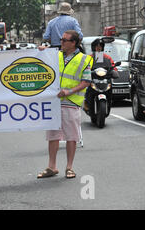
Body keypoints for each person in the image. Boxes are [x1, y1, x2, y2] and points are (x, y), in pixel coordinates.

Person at [37, 30, 93, 179]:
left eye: (64, 40)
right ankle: (52, 166)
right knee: (53, 135)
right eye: (61, 40)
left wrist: (69, 91)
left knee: (71, 136)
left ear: (73, 43)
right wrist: (43, 51)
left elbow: (86, 81)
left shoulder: (84, 59)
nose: (61, 42)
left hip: (71, 102)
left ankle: (69, 167)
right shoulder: (57, 55)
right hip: (55, 101)